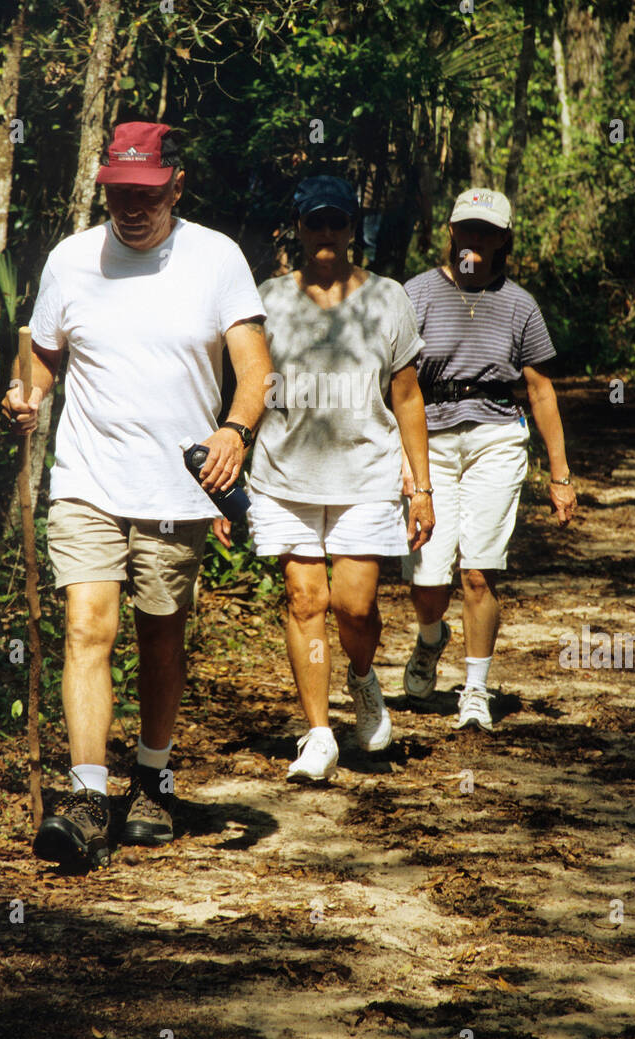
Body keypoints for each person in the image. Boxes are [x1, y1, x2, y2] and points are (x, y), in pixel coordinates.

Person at [2, 121, 272, 870]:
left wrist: (235, 432)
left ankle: (152, 775)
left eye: (146, 194)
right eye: (118, 193)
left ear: (175, 185)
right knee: (89, 626)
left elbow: (254, 368)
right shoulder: (72, 260)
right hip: (87, 476)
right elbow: (46, 357)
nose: (131, 207)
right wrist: (26, 392)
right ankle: (88, 798)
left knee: (160, 630)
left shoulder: (216, 258)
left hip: (176, 487)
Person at [242, 175, 435, 782]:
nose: (326, 234)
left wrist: (422, 488)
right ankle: (318, 733)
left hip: (366, 474)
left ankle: (361, 675)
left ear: (355, 229)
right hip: (281, 475)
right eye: (314, 222)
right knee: (305, 600)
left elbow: (407, 397)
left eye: (338, 222)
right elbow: (241, 387)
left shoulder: (387, 298)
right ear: (297, 228)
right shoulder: (267, 299)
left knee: (354, 605)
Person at [401, 187, 577, 731]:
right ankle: (432, 637)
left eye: (487, 231)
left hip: (496, 436)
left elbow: (541, 390)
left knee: (478, 572)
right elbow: (394, 383)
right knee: (428, 576)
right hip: (427, 438)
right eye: (467, 229)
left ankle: (474, 688)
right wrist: (401, 458)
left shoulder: (520, 304)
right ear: (450, 232)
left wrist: (560, 473)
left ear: (503, 240)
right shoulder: (416, 294)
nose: (474, 240)